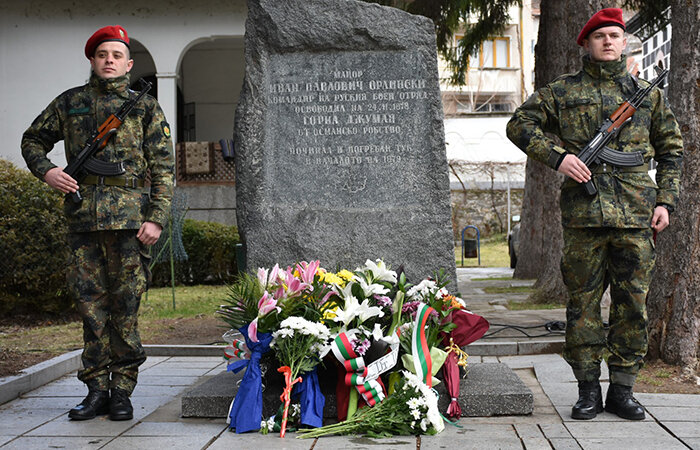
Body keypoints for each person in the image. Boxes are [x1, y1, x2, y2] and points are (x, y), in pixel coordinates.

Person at [506, 8, 682, 420]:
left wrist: (665, 202)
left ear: (624, 43)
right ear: (586, 43)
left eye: (614, 35)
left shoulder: (648, 95)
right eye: (599, 35)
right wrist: (559, 157)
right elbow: (519, 124)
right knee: (582, 306)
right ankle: (588, 391)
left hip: (637, 216)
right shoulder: (563, 92)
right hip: (584, 217)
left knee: (631, 305)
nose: (607, 41)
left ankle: (622, 390)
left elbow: (672, 150)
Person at [21, 25, 174, 421]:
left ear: (129, 63)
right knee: (90, 308)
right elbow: (32, 140)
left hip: (129, 223)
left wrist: (155, 218)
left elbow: (163, 166)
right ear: (92, 59)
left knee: (126, 308)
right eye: (102, 54)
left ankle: (121, 391)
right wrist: (48, 172)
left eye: (116, 55)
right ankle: (95, 390)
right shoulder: (70, 102)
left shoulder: (144, 107)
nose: (109, 60)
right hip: (82, 221)